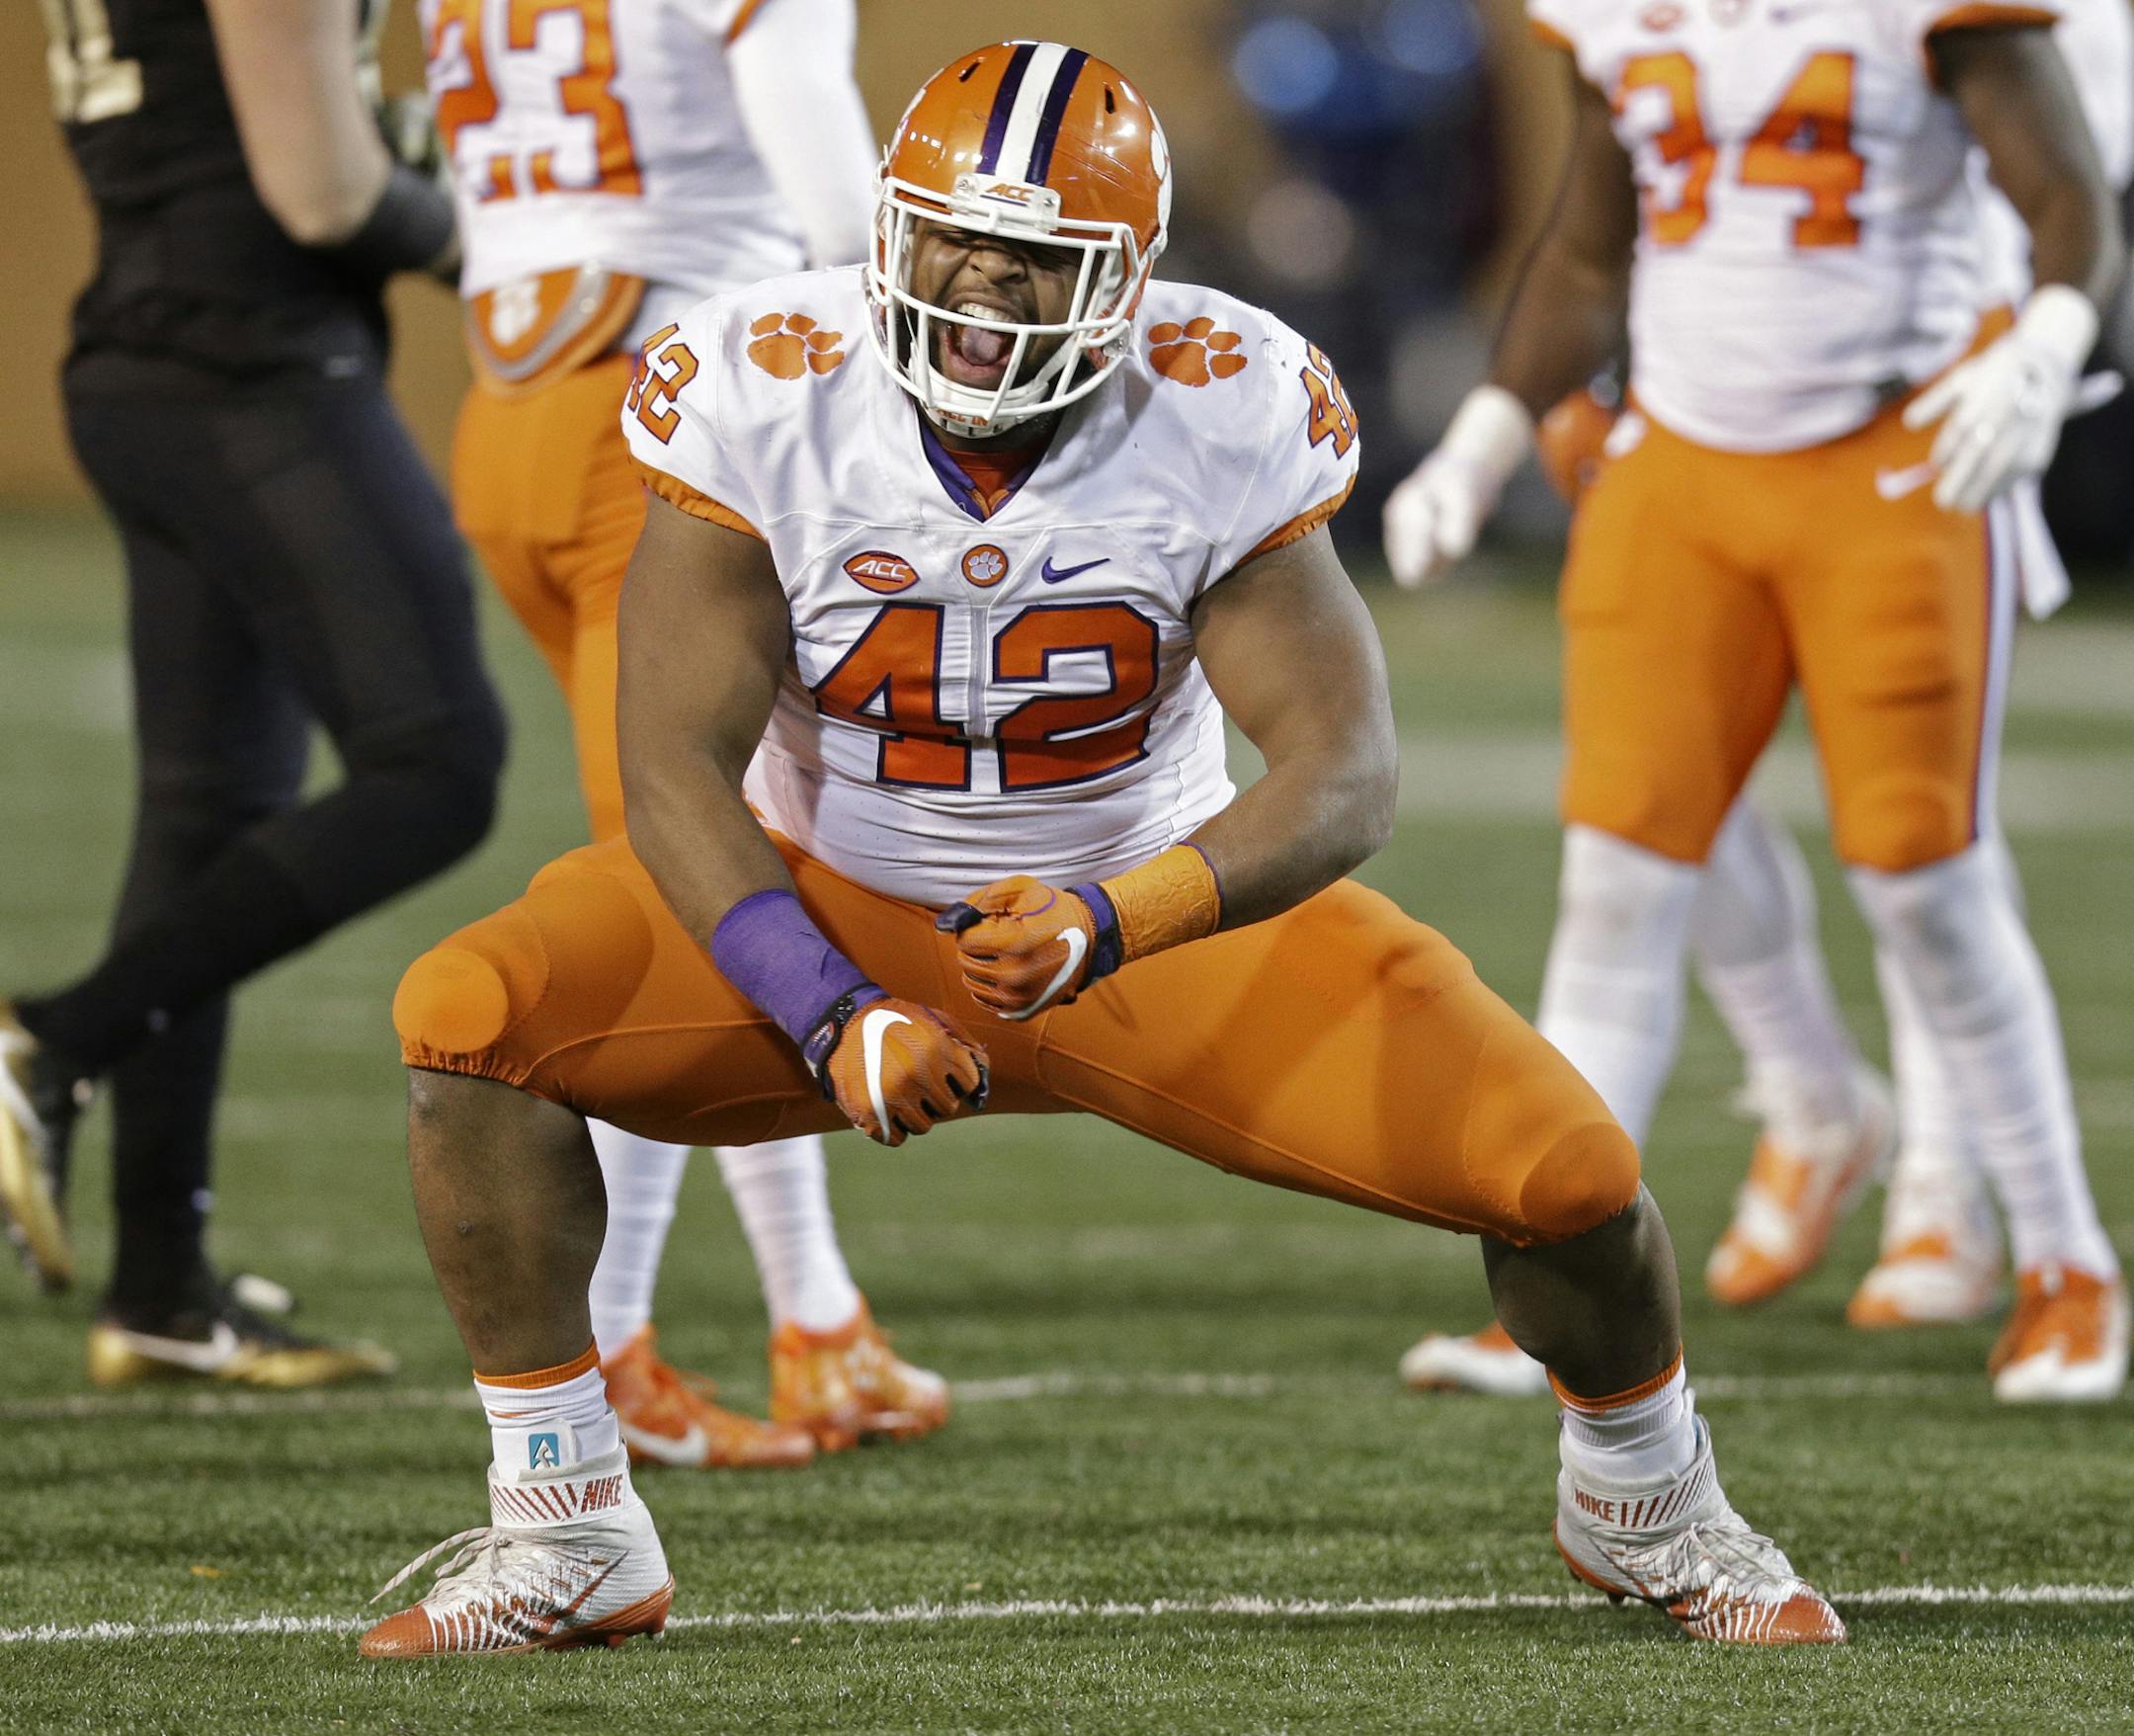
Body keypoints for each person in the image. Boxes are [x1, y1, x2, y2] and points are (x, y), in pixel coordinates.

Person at [358, 41, 1844, 1656]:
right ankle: (567, 1527)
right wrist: (823, 1003)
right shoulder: (761, 380)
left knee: (1571, 1177)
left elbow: (1345, 771)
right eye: (952, 246)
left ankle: (1643, 1499)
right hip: (835, 894)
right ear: (886, 229)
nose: (981, 295)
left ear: (1129, 280)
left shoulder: (1217, 404)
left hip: (1149, 914)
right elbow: (671, 766)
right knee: (471, 1020)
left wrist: (1116, 915)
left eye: (1035, 265)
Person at [1383, 0, 2127, 1403]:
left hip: (1894, 456)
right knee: (1615, 880)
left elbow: (2066, 191)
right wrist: (1484, 436)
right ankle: (1564, 1283)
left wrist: (2044, 341)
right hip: (1683, 471)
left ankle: (2067, 1262)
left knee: (1928, 885)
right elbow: (1590, 249)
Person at [424, 0, 943, 1468]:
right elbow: (830, 183)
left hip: (510, 414)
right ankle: (621, 1342)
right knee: (687, 880)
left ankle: (819, 1319)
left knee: (724, 849)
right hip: (665, 413)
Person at [6, 0, 506, 1384]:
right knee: (441, 758)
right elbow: (320, 186)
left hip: (163, 342)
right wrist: (492, 234)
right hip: (251, 359)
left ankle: (162, 1286)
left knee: (212, 814)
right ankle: (47, 1045)